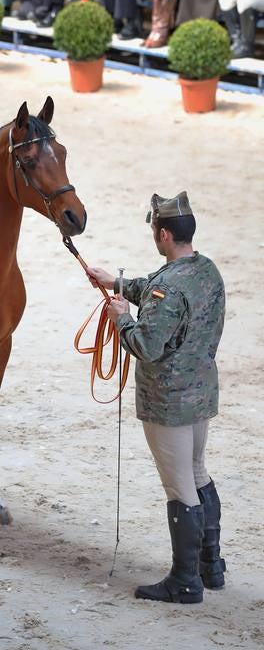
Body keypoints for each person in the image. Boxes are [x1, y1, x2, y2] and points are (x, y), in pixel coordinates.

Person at [87, 191, 226, 604]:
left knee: (180, 485)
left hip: (168, 403)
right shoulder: (206, 271)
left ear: (163, 234)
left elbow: (147, 346)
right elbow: (153, 287)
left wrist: (121, 319)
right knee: (198, 474)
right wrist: (116, 283)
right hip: (200, 393)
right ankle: (210, 567)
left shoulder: (168, 288)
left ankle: (185, 582)